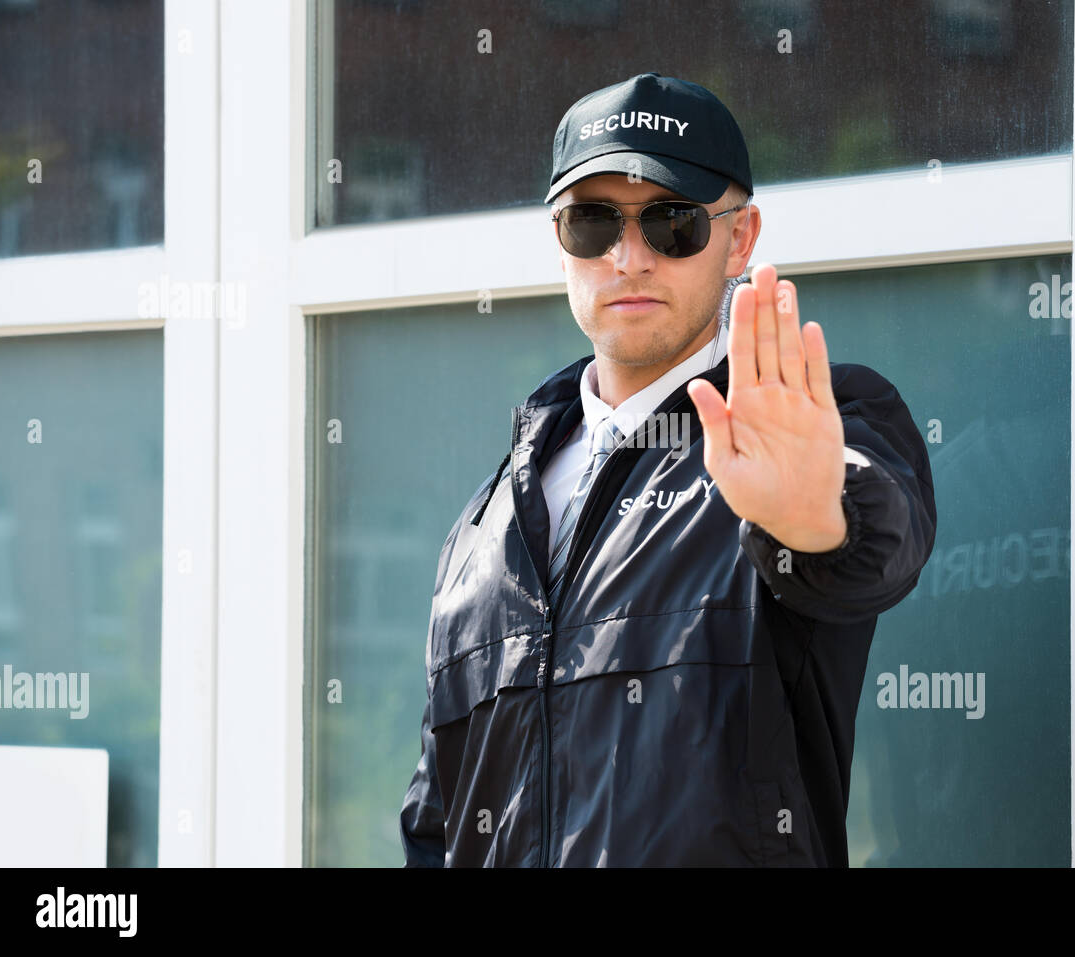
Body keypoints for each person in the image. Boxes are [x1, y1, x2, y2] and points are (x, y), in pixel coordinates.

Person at [400, 72, 936, 867]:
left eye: (672, 222)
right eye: (593, 222)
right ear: (560, 241)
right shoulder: (486, 528)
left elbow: (871, 543)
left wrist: (814, 511)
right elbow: (436, 825)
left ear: (740, 238)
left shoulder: (816, 424)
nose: (628, 256)